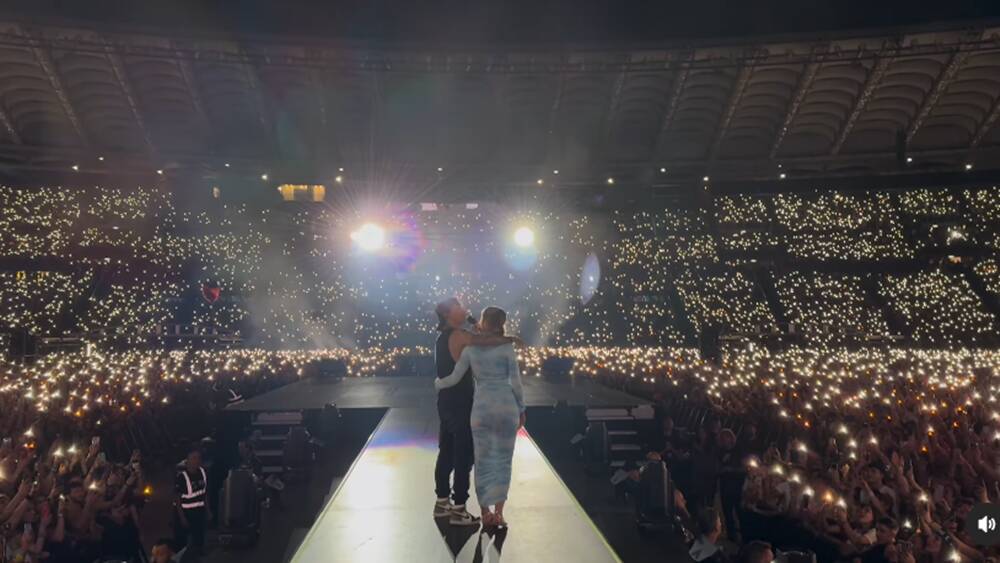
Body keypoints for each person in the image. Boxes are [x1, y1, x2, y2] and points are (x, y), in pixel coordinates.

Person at [432, 298, 520, 526]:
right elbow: (487, 341)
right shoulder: (463, 337)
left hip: (453, 404)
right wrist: (508, 339)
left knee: (449, 451)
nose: (465, 309)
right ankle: (461, 508)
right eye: (459, 306)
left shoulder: (443, 337)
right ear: (449, 314)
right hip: (466, 404)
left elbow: (454, 375)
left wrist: (438, 384)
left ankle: (444, 501)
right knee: (468, 456)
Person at [174, 449, 210, 555]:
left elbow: (204, 493)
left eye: (198, 458)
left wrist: (208, 511)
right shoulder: (182, 477)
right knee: (182, 543)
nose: (197, 461)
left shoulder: (203, 472)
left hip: (199, 512)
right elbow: (177, 499)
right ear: (187, 461)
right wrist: (182, 518)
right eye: (193, 458)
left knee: (199, 539)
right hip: (186, 513)